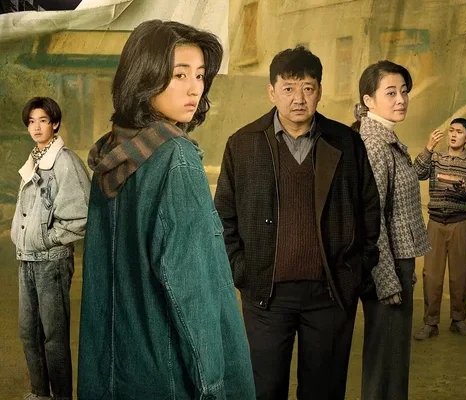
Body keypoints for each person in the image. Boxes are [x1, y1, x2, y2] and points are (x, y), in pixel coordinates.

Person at [77, 20, 256, 400]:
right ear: (145, 77)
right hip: (170, 378)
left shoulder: (112, 153)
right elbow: (192, 290)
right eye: (179, 75)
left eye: (200, 75)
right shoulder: (176, 158)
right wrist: (214, 387)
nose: (195, 88)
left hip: (113, 375)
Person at [214, 46, 381, 400]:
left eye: (308, 88)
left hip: (330, 292)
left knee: (324, 392)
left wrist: (355, 270)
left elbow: (369, 209)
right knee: (263, 390)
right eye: (288, 88)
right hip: (265, 294)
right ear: (272, 91)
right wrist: (241, 269)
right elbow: (223, 217)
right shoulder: (243, 145)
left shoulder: (346, 143)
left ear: (319, 91)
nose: (299, 99)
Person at [353, 60, 431, 400]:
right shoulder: (374, 144)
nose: (401, 99)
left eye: (404, 91)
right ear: (368, 100)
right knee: (385, 360)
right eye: (391, 93)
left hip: (398, 263)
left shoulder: (385, 136)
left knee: (393, 359)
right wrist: (386, 280)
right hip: (387, 266)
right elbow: (371, 220)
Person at [11, 96, 90, 400]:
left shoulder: (65, 161)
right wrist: (23, 238)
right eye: (31, 122)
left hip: (51, 261)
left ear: (55, 124)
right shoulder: (34, 159)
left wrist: (47, 239)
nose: (36, 127)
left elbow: (81, 215)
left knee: (54, 338)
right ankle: (39, 393)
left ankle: (61, 397)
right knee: (28, 333)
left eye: (43, 121)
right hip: (27, 259)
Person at [413, 118, 466, 340]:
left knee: (460, 273)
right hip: (435, 222)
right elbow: (416, 173)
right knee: (431, 275)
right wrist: (428, 148)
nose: (453, 135)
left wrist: (464, 190)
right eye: (451, 130)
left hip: (460, 222)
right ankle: (430, 323)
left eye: (459, 132)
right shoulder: (435, 158)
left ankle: (458, 320)